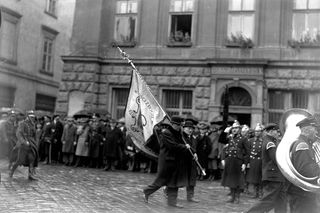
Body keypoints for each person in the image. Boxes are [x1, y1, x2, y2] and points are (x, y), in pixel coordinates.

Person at [143, 116, 190, 208]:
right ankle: (147, 191)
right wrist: (184, 147)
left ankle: (172, 203)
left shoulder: (179, 133)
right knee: (161, 180)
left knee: (174, 182)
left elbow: (185, 143)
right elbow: (172, 146)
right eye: (179, 125)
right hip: (166, 161)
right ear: (173, 124)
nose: (180, 127)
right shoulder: (166, 133)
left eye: (181, 125)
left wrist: (191, 150)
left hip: (175, 161)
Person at [246, 123, 287, 213]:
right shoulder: (270, 143)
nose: (278, 133)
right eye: (277, 131)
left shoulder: (270, 141)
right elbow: (276, 159)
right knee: (268, 201)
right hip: (273, 176)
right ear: (271, 131)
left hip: (277, 176)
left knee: (281, 202)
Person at [287, 117, 320, 213]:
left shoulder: (305, 143)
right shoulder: (303, 145)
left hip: (303, 193)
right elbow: (305, 169)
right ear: (307, 130)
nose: (316, 132)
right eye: (315, 129)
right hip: (302, 194)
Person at [221, 120, 249, 204]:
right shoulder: (230, 138)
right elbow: (223, 144)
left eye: (236, 128)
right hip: (229, 161)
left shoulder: (243, 139)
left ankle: (237, 197)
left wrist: (245, 163)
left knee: (238, 181)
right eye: (233, 128)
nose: (234, 130)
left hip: (238, 162)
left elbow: (247, 152)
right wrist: (223, 159)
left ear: (239, 129)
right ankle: (232, 197)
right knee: (230, 180)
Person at [9, 110, 39, 180]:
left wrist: (35, 142)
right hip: (23, 144)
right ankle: (12, 171)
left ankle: (30, 175)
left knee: (32, 158)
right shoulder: (22, 124)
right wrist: (24, 142)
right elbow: (18, 134)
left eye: (33, 117)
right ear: (27, 117)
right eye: (31, 117)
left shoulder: (33, 124)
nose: (32, 118)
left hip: (31, 143)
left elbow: (34, 135)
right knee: (20, 160)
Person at [246, 123, 264, 199]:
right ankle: (255, 192)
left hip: (260, 161)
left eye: (258, 131)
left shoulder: (263, 141)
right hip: (252, 161)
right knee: (253, 178)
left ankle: (260, 192)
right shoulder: (251, 141)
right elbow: (248, 151)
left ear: (261, 132)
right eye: (256, 131)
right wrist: (247, 162)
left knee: (260, 177)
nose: (257, 133)